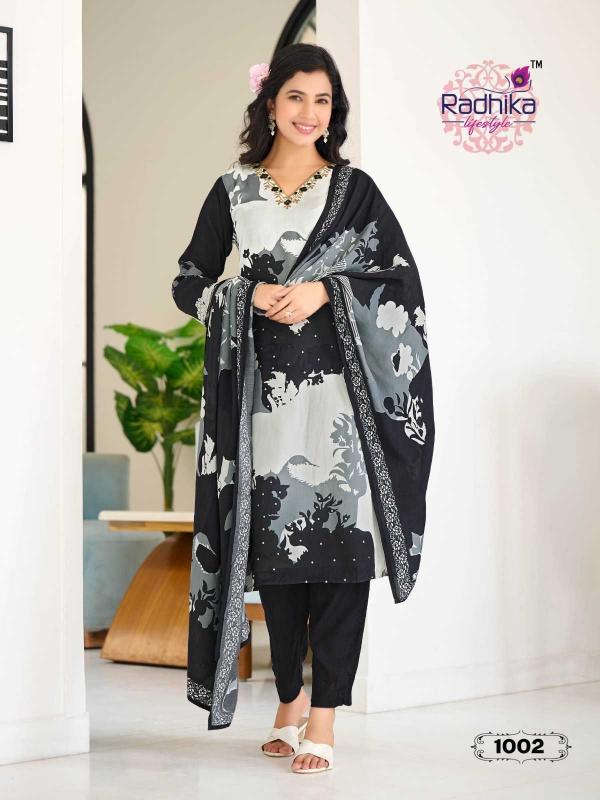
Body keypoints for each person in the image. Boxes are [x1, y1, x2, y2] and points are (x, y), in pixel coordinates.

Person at [172, 43, 435, 774]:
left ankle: (324, 718)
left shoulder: (354, 191)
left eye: (322, 101)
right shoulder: (233, 190)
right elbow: (188, 281)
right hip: (262, 406)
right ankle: (288, 699)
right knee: (279, 554)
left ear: (333, 111)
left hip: (342, 407)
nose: (308, 113)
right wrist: (245, 292)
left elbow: (401, 283)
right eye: (296, 97)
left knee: (341, 555)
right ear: (269, 103)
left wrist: (328, 291)